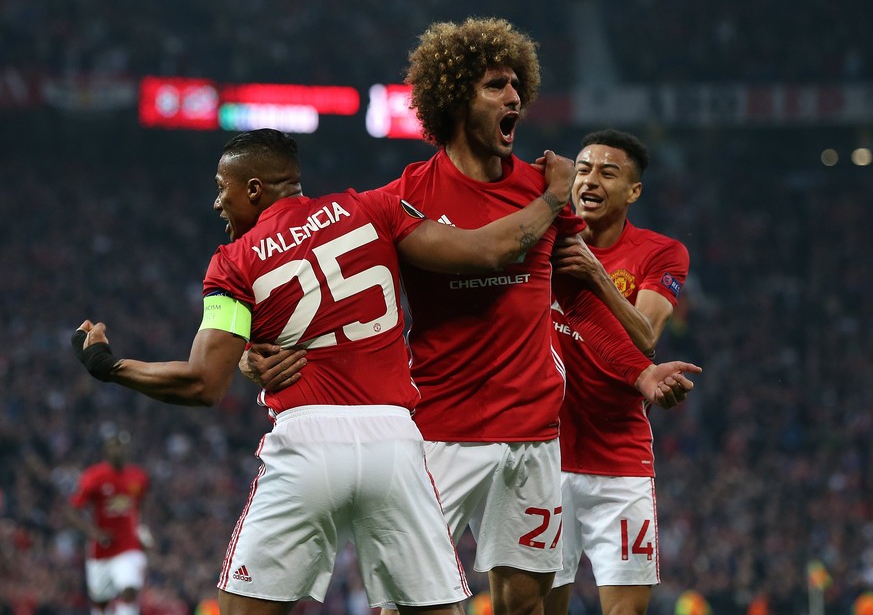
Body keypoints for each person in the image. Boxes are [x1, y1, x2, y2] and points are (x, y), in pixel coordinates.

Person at [243, 18, 701, 615]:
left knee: (527, 602)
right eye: (495, 86)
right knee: (407, 605)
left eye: (516, 85)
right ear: (456, 97)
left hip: (535, 435)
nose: (514, 98)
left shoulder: (540, 185)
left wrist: (637, 373)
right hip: (438, 431)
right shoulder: (404, 198)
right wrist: (264, 353)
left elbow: (581, 305)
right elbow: (339, 295)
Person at [71, 128, 580, 615]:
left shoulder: (232, 263)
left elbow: (202, 383)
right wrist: (553, 196)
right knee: (435, 609)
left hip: (307, 442)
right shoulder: (371, 207)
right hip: (396, 441)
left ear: (254, 189)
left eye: (221, 190)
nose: (217, 203)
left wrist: (112, 366)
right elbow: (488, 250)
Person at [545, 129, 690, 615]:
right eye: (583, 169)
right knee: (540, 607)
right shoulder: (542, 243)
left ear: (634, 191)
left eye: (608, 173)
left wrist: (593, 273)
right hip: (544, 456)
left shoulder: (661, 253)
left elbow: (644, 336)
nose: (590, 180)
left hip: (620, 461)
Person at [67, 429, 150, 615]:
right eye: (115, 446)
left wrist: (142, 531)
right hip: (102, 548)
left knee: (129, 589)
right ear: (107, 449)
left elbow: (140, 507)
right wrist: (94, 533)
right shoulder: (93, 477)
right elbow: (72, 511)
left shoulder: (139, 477)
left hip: (129, 545)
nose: (119, 450)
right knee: (100, 601)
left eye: (122, 446)